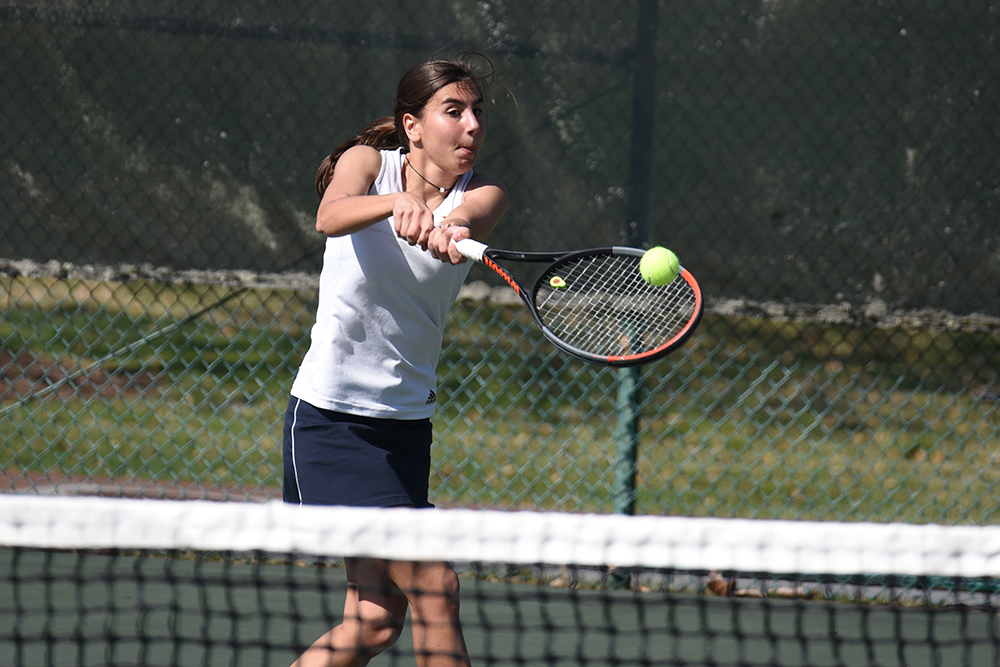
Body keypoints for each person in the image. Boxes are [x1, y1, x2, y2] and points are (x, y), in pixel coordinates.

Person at [283, 55, 509, 667]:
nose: (471, 127)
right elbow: (331, 215)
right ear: (412, 124)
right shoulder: (367, 165)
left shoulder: (484, 192)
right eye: (453, 111)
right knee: (437, 588)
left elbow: (469, 214)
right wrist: (394, 207)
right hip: (333, 422)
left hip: (406, 426)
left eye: (477, 113)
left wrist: (449, 223)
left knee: (375, 618)